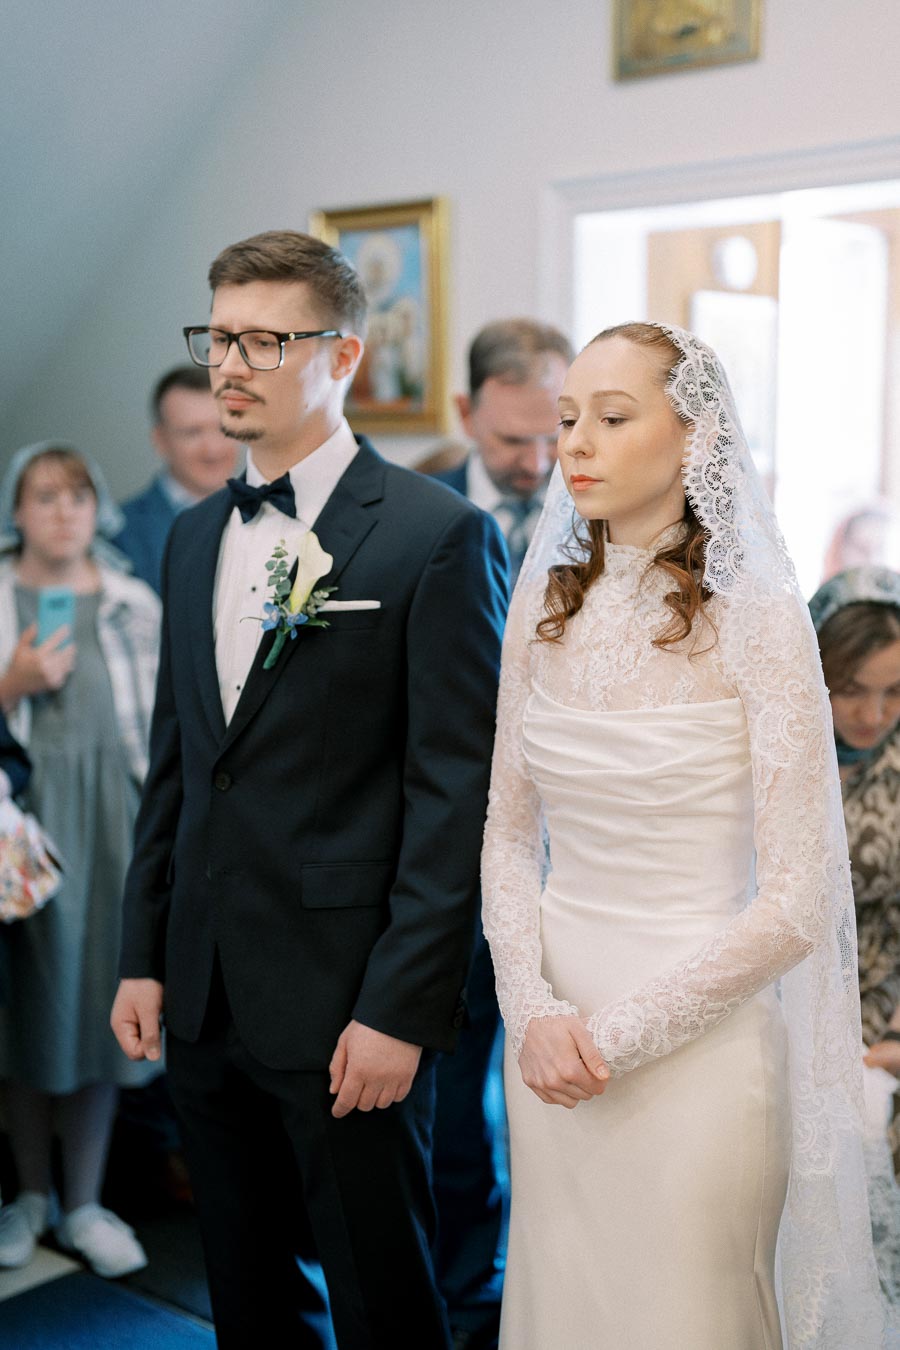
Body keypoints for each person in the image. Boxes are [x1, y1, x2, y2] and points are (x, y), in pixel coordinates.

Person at [110, 229, 507, 1350]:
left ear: (343, 356)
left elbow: (454, 797)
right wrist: (145, 952)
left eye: (263, 341)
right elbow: (181, 766)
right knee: (241, 1290)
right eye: (219, 336)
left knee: (382, 1294)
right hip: (204, 989)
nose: (228, 365)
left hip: (349, 1005)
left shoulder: (437, 537)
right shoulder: (193, 540)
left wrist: (399, 1009)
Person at [481, 322, 886, 1348]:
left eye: (612, 418)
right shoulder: (544, 613)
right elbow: (504, 837)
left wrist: (607, 1039)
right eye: (570, 418)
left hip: (699, 1055)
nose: (576, 442)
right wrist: (533, 1009)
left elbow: (798, 897)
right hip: (548, 1053)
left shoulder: (757, 617)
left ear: (694, 436)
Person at [430, 318, 571, 1350]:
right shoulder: (413, 515)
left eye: (551, 435)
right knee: (456, 1074)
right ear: (465, 412)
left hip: (586, 854)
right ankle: (467, 1283)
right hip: (449, 849)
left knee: (573, 1076)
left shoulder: (615, 505)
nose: (536, 464)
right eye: (514, 440)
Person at [0, 443, 160, 1278]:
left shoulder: (134, 601)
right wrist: (11, 682)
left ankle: (86, 1200)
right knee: (31, 1006)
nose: (63, 512)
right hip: (22, 832)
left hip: (115, 826)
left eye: (77, 496)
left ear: (98, 509)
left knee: (104, 1004)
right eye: (44, 496)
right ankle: (27, 1197)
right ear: (17, 510)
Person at [810, 566, 900, 1306]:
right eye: (851, 690)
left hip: (885, 999)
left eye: (894, 692)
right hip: (789, 993)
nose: (873, 714)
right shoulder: (782, 754)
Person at [114, 366, 239, 594]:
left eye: (223, 428)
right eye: (192, 433)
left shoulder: (271, 511)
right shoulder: (120, 533)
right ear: (160, 441)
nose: (213, 449)